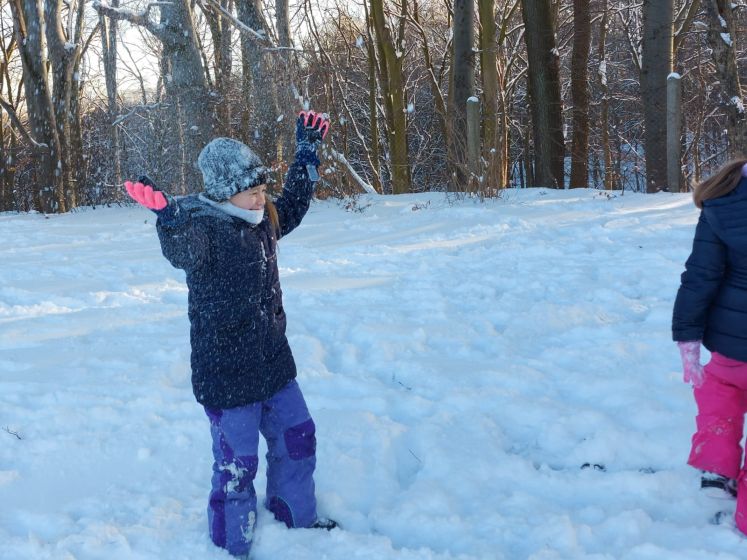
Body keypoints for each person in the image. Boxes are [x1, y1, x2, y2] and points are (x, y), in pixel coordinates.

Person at [124, 110, 336, 558]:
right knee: (238, 467)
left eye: (262, 190)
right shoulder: (202, 228)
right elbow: (182, 250)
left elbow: (292, 203)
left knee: (298, 438)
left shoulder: (263, 224)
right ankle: (230, 545)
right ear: (223, 194)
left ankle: (295, 515)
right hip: (227, 375)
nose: (261, 200)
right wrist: (170, 219)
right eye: (252, 193)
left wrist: (306, 155)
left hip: (275, 365)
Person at [672, 159, 747, 533]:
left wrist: (688, 335)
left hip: (731, 345)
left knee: (721, 398)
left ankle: (717, 471)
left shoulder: (723, 201)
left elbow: (700, 276)